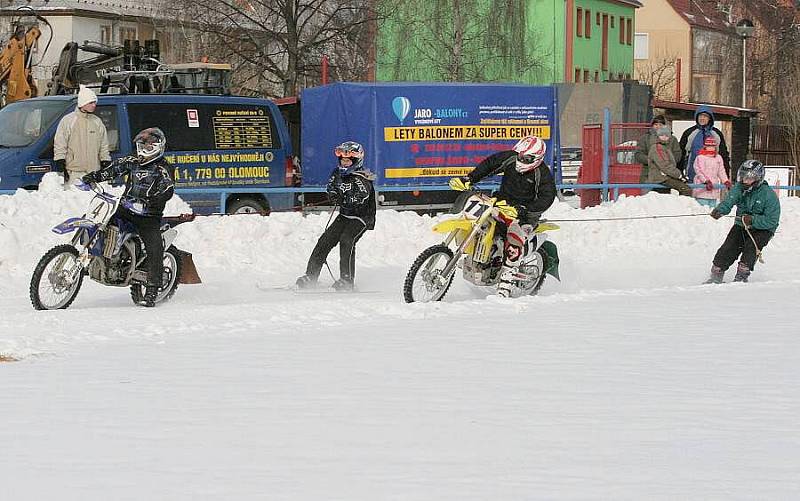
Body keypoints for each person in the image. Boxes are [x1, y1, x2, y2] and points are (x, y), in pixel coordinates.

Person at [449, 135, 556, 297]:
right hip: (501, 204)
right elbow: (490, 164)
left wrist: (523, 210)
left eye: (525, 158)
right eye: (520, 155)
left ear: (537, 158)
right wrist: (469, 179)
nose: (520, 159)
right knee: (479, 221)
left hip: (525, 214)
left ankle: (506, 283)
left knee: (514, 236)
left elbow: (547, 198)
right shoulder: (511, 159)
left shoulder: (543, 174)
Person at [82, 128, 175, 306]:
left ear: (158, 147)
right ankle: (96, 260)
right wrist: (94, 176)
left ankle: (153, 289)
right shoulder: (132, 161)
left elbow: (168, 188)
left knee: (154, 246)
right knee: (102, 226)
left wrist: (155, 201)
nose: (143, 150)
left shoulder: (163, 167)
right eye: (141, 145)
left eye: (148, 146)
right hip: (126, 209)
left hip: (149, 215)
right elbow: (113, 169)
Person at [296, 141, 376, 291]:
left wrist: (346, 199)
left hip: (362, 217)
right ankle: (311, 276)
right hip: (345, 215)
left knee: (347, 240)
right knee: (325, 240)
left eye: (348, 160)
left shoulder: (363, 177)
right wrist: (333, 196)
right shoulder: (337, 173)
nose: (344, 163)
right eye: (342, 160)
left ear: (356, 161)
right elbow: (331, 187)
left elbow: (362, 196)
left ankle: (347, 280)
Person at [706, 160, 780, 284]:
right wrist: (720, 210)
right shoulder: (739, 188)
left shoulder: (768, 195)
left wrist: (753, 220)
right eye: (743, 177)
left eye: (748, 178)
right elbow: (729, 200)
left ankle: (741, 276)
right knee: (728, 247)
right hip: (742, 224)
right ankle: (716, 275)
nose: (744, 181)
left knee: (750, 248)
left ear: (758, 178)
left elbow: (772, 220)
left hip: (763, 229)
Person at [53, 85, 111, 183]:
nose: (94, 105)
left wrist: (105, 160)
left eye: (95, 102)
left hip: (94, 172)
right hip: (74, 172)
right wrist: (60, 161)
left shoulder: (97, 122)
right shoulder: (68, 121)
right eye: (91, 102)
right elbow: (60, 143)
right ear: (83, 103)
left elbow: (103, 145)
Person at [679, 106, 730, 181]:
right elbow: (681, 153)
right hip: (691, 173)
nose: (702, 118)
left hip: (712, 175)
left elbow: (723, 155)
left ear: (710, 118)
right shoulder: (689, 133)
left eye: (705, 116)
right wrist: (680, 172)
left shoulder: (716, 134)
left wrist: (726, 176)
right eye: (700, 116)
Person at [643, 125, 692, 196]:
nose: (664, 137)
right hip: (660, 177)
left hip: (665, 176)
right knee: (685, 189)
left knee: (664, 195)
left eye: (666, 135)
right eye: (661, 135)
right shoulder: (657, 148)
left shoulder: (664, 147)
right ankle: (683, 205)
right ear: (657, 136)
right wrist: (679, 175)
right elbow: (664, 165)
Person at [692, 136, 731, 207]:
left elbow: (721, 171)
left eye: (713, 146)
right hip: (702, 188)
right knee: (701, 210)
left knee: (712, 210)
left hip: (714, 187)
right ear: (705, 146)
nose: (711, 148)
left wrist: (725, 180)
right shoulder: (700, 158)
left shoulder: (718, 158)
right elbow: (699, 171)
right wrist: (706, 181)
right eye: (709, 146)